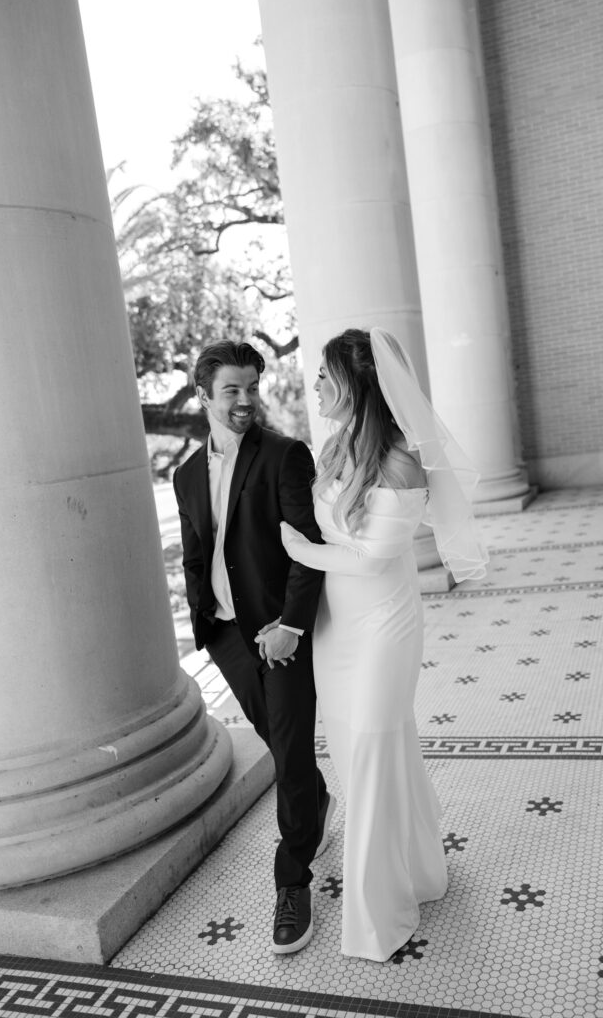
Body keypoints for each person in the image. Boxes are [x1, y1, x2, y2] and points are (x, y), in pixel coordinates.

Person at [280, 327, 488, 962]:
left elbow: (372, 558)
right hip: (334, 630)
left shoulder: (399, 459)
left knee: (371, 757)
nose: (314, 385)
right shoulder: (337, 446)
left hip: (382, 630)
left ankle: (377, 918)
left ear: (356, 383)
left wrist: (301, 549)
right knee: (362, 752)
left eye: (324, 374)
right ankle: (419, 870)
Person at [173, 339, 336, 956]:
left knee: (290, 755)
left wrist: (291, 624)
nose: (244, 401)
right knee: (276, 736)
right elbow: (196, 553)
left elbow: (306, 546)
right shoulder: (186, 473)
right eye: (231, 390)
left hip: (278, 635)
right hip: (227, 636)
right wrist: (204, 625)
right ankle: (316, 802)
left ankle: (292, 883)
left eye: (251, 387)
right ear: (204, 397)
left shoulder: (285, 455)